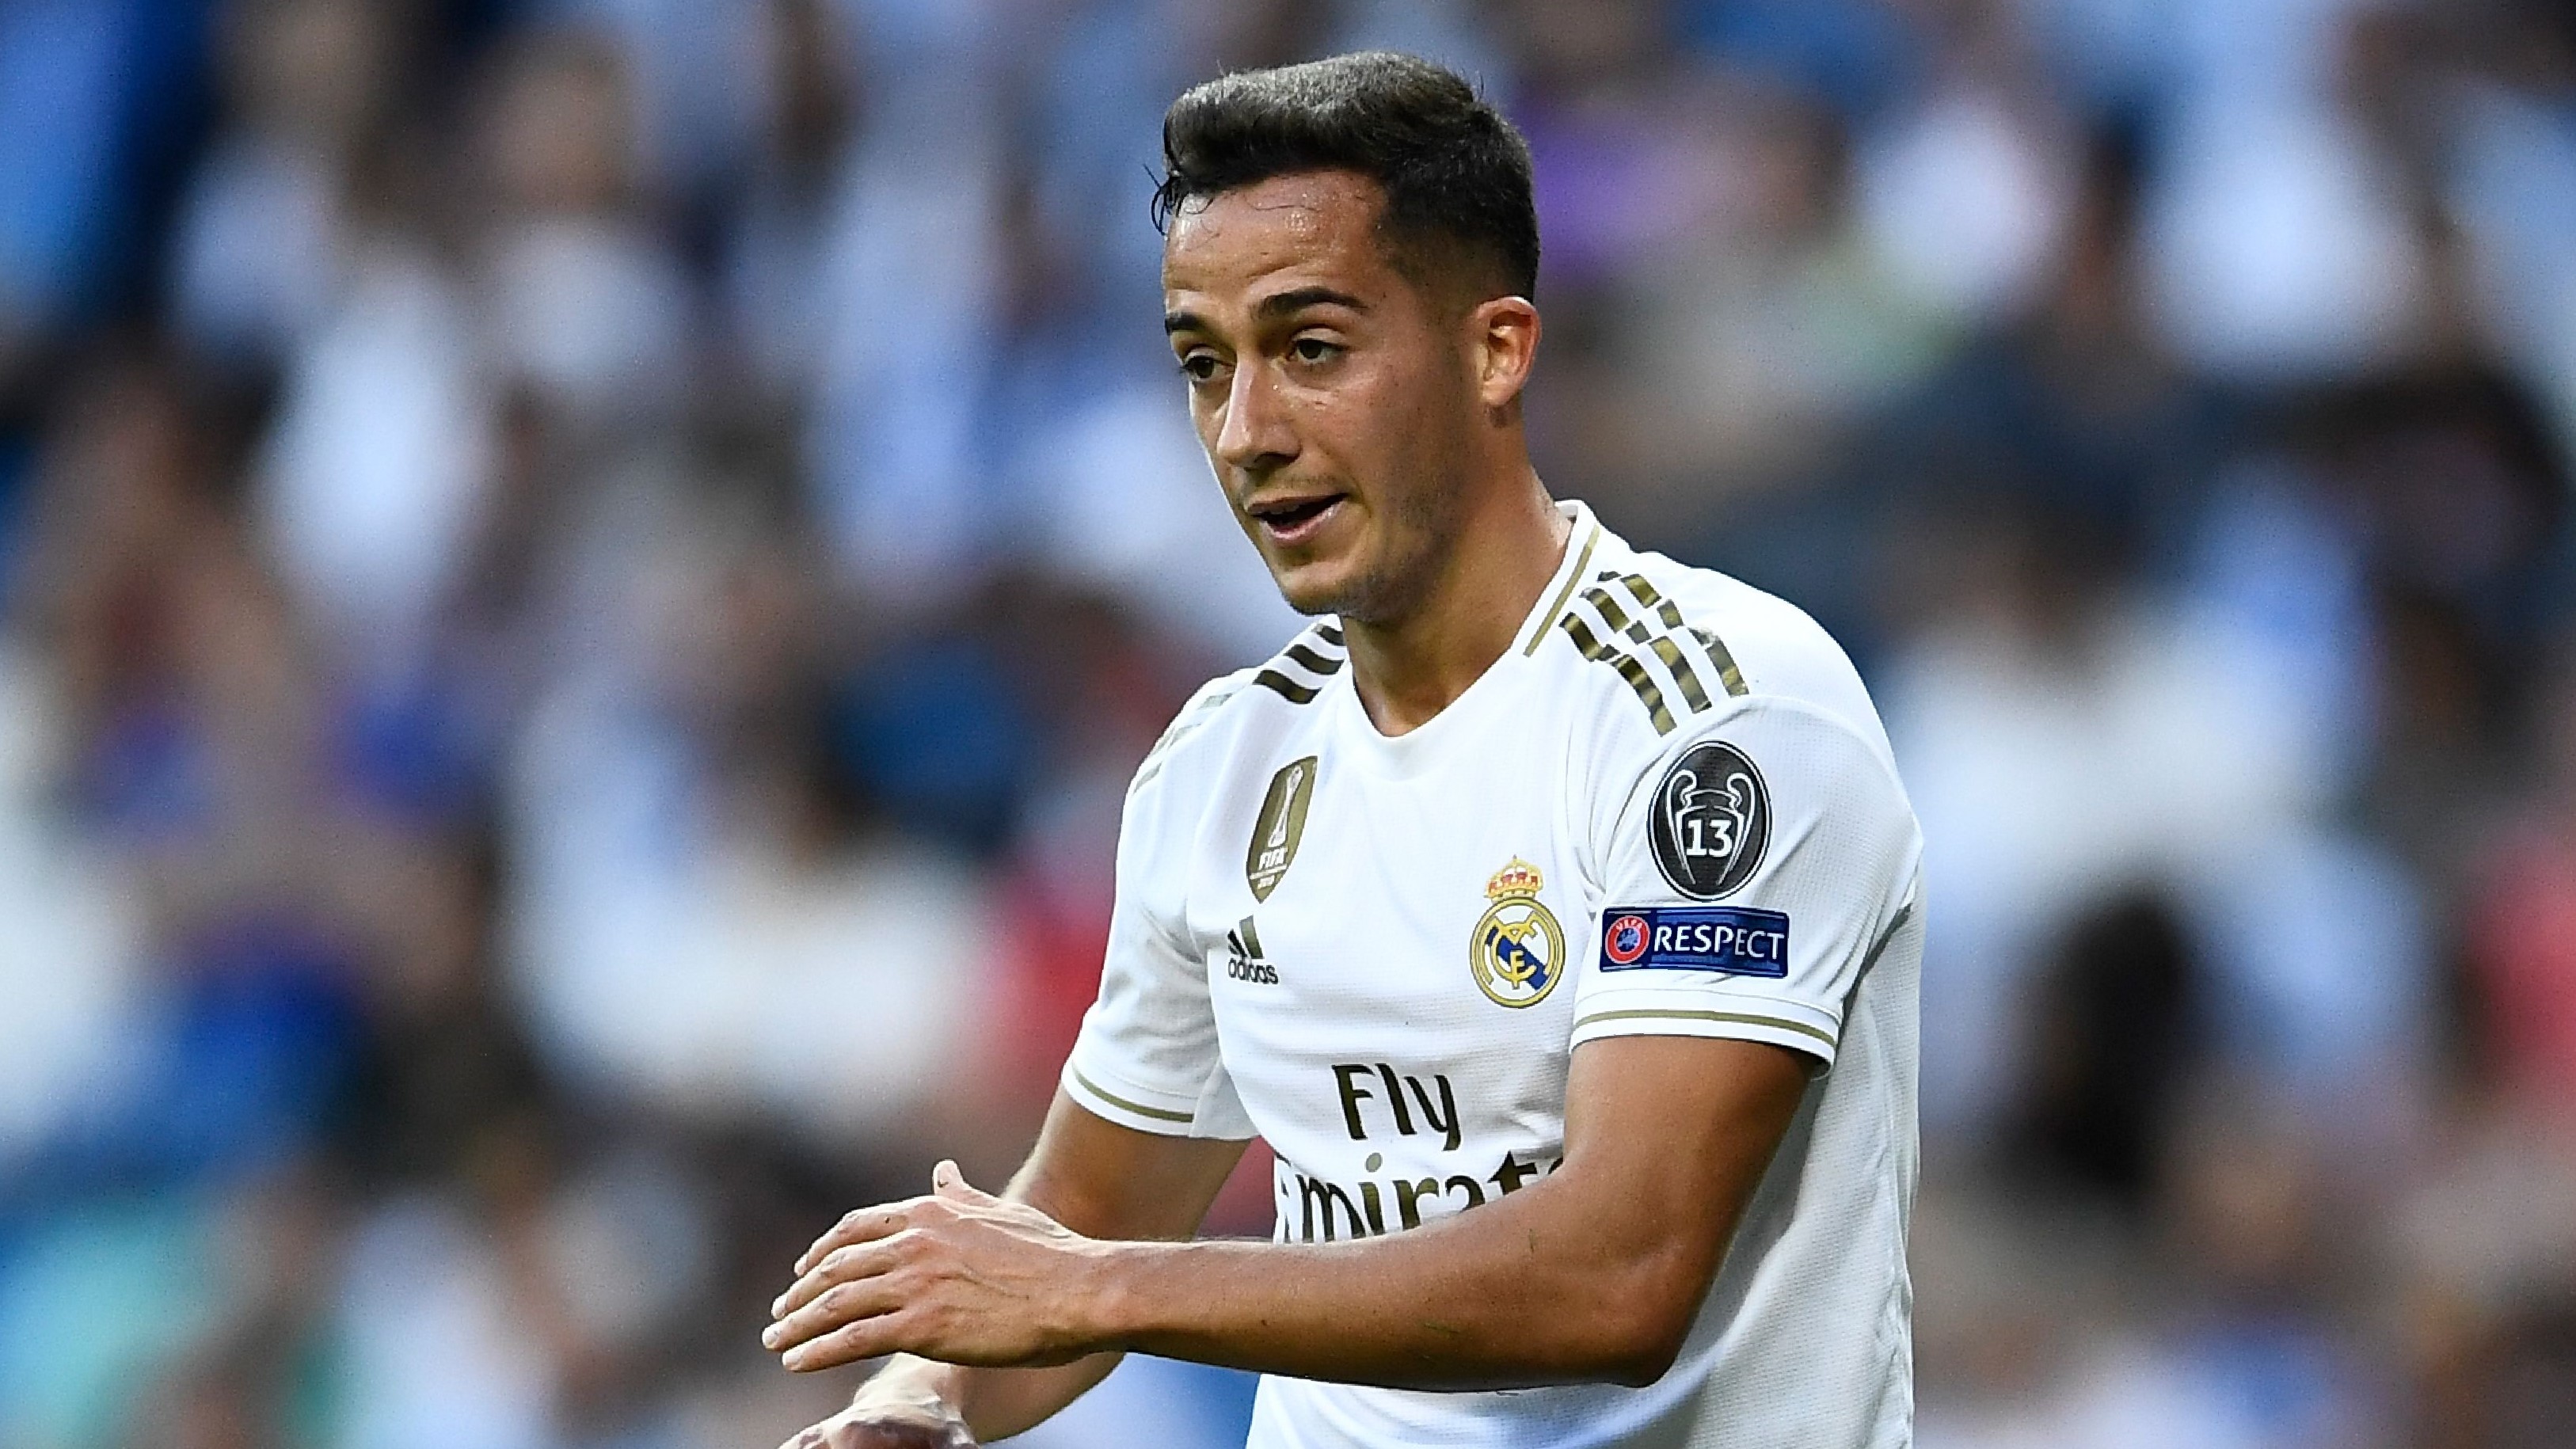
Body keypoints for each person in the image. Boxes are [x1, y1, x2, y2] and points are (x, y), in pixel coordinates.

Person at [763, 51, 1923, 1449]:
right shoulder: (1221, 764)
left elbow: (1621, 1275)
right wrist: (920, 1400)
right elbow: (1085, 1212)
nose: (1246, 433)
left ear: (1496, 350)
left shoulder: (1718, 717)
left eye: (1309, 348)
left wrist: (1095, 1287)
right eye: (1204, 365)